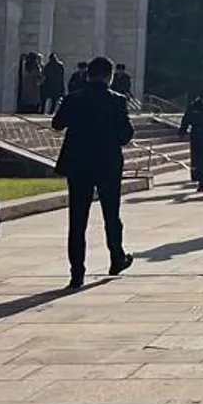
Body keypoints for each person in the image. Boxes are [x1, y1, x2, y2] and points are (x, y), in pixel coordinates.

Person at [51, 56, 135, 288]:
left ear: (88, 75)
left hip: (78, 163)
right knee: (111, 214)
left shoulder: (73, 99)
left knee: (77, 219)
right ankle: (116, 257)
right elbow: (126, 134)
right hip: (107, 163)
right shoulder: (116, 100)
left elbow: (57, 124)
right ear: (109, 76)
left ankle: (77, 272)